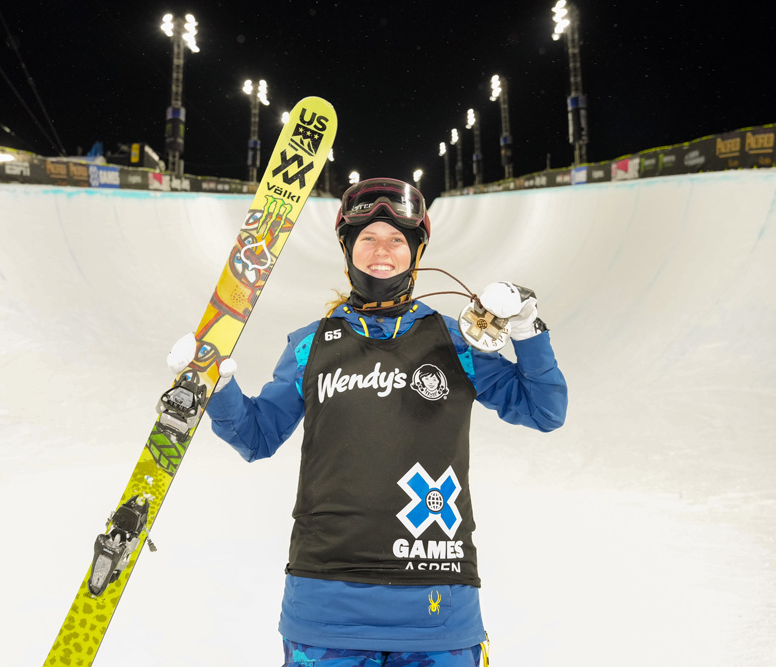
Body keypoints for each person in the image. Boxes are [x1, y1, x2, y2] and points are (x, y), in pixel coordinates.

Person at [170, 177, 567, 667]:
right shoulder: (310, 344)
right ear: (348, 249)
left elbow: (544, 410)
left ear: (416, 251)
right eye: (369, 238)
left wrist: (527, 328)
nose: (382, 250)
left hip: (436, 609)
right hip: (325, 605)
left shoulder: (455, 342)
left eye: (397, 239)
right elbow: (257, 436)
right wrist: (217, 389)